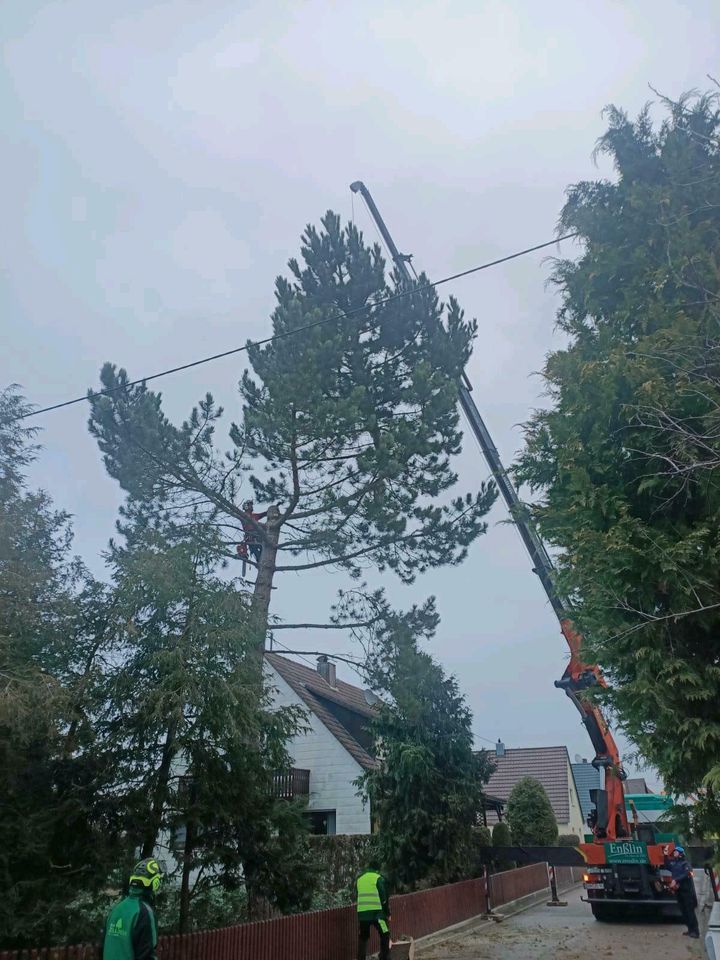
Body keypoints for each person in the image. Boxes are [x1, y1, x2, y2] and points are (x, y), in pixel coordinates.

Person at [101, 857, 163, 960]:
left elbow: (102, 947)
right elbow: (147, 955)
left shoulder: (116, 909)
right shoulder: (144, 912)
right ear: (155, 883)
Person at [356, 863, 391, 960]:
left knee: (363, 936)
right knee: (385, 933)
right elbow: (384, 899)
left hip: (362, 914)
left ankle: (361, 958)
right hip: (377, 914)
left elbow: (358, 894)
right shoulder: (378, 878)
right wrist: (387, 913)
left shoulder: (359, 879)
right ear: (377, 869)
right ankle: (384, 957)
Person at [664, 844, 699, 939]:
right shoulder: (674, 863)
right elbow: (667, 865)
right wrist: (665, 855)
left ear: (680, 854)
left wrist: (676, 880)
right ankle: (689, 929)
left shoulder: (685, 864)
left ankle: (695, 931)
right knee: (683, 911)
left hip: (686, 891)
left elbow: (689, 873)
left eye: (676, 851)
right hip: (678, 891)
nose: (674, 852)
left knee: (689, 911)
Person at [238, 499, 267, 565]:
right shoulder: (244, 515)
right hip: (250, 535)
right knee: (253, 549)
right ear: (246, 507)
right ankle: (244, 554)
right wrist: (263, 525)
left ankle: (260, 561)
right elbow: (253, 522)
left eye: (251, 505)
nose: (252, 507)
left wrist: (270, 511)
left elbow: (262, 514)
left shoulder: (254, 515)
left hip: (259, 535)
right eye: (250, 505)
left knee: (262, 549)